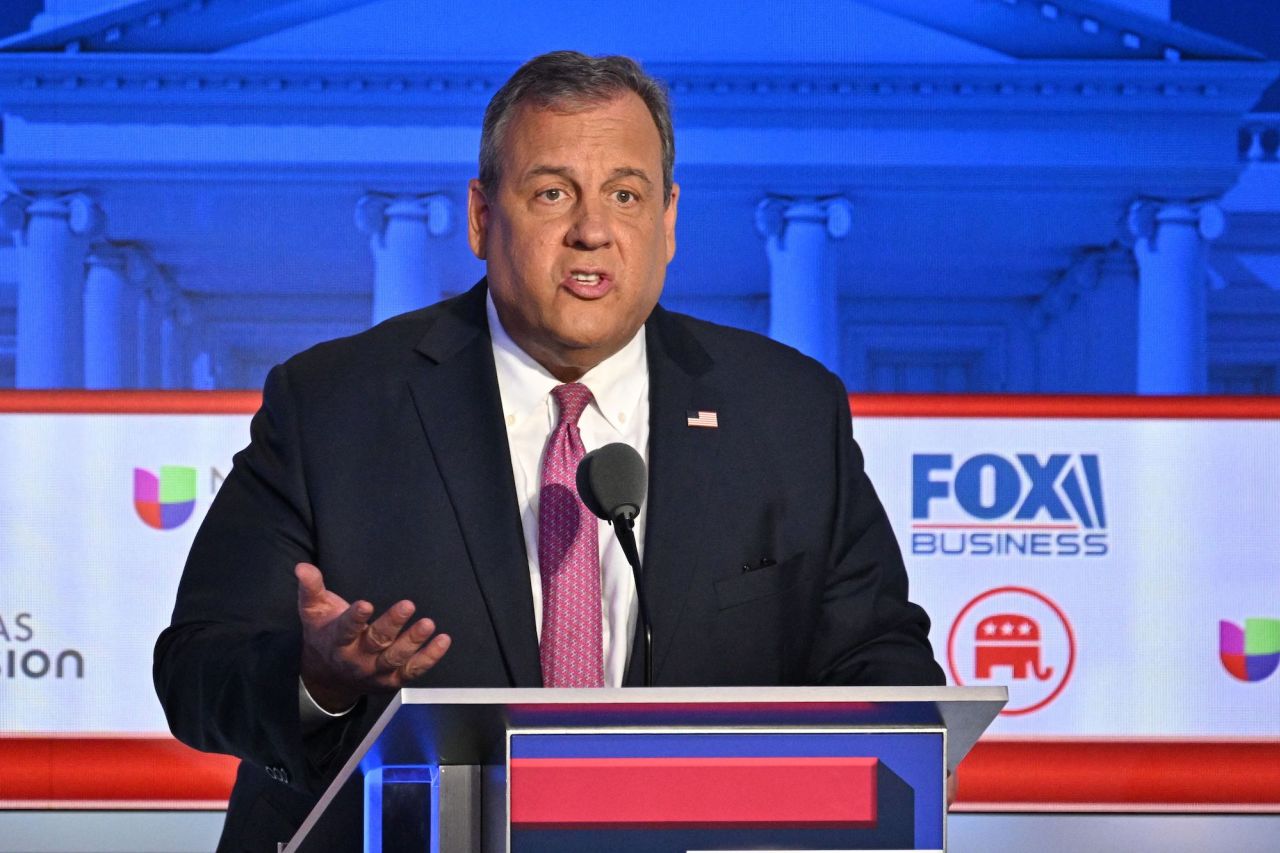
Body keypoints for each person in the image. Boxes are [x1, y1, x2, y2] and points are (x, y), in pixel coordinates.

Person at [154, 50, 944, 852]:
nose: (592, 231)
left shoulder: (785, 411)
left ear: (668, 222)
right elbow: (196, 670)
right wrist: (317, 676)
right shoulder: (334, 403)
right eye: (552, 193)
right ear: (480, 216)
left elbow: (879, 657)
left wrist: (892, 750)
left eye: (626, 195)